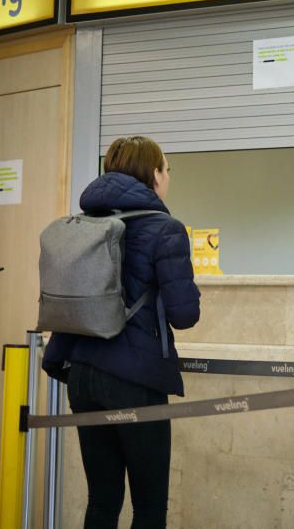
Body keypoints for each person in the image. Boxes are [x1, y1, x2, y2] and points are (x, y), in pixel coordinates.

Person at [42, 135, 200, 529]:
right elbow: (184, 315)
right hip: (135, 381)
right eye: (166, 169)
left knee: (101, 501)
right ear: (153, 175)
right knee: (148, 505)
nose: (168, 177)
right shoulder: (165, 229)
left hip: (81, 375)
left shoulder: (83, 225)